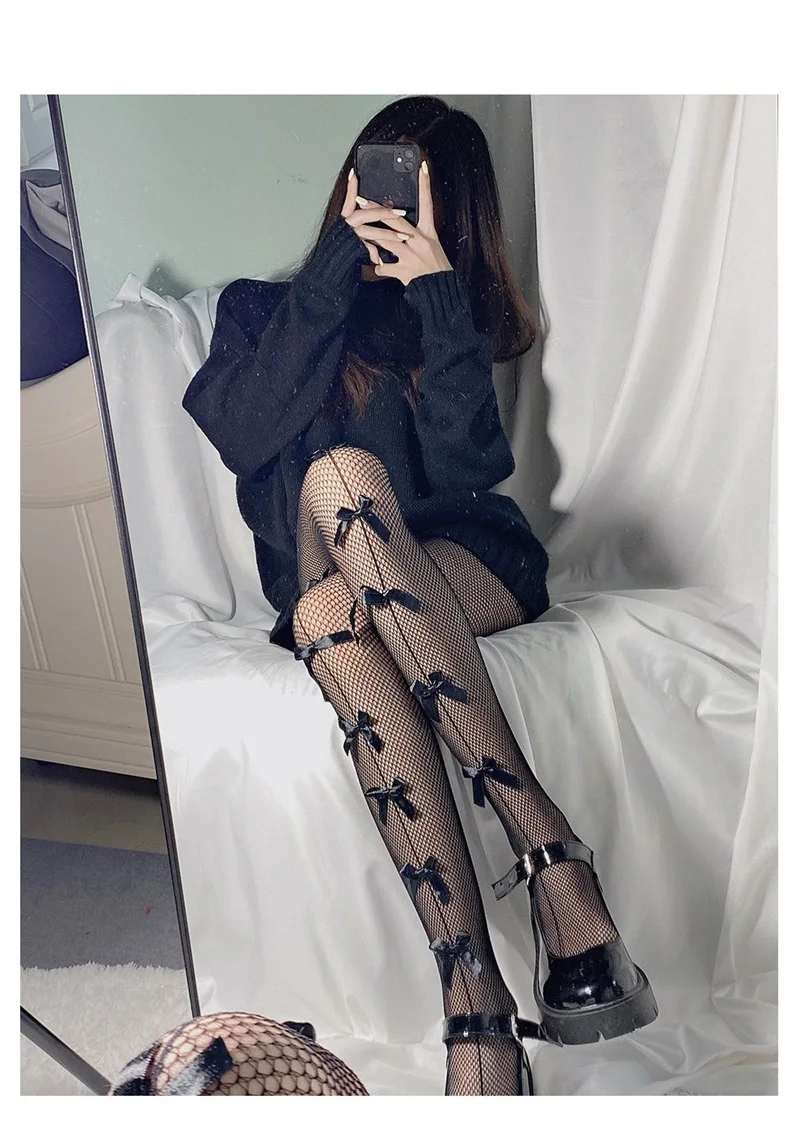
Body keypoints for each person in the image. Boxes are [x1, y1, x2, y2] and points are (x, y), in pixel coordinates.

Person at [182, 96, 657, 1097]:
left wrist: (438, 294)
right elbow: (245, 431)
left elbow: (469, 472)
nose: (392, 208)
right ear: (349, 184)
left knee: (343, 517)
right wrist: (333, 269)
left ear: (459, 216)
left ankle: (476, 1017)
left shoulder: (444, 318)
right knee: (332, 530)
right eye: (381, 184)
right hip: (325, 577)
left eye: (421, 198)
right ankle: (551, 858)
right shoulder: (260, 311)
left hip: (461, 563)